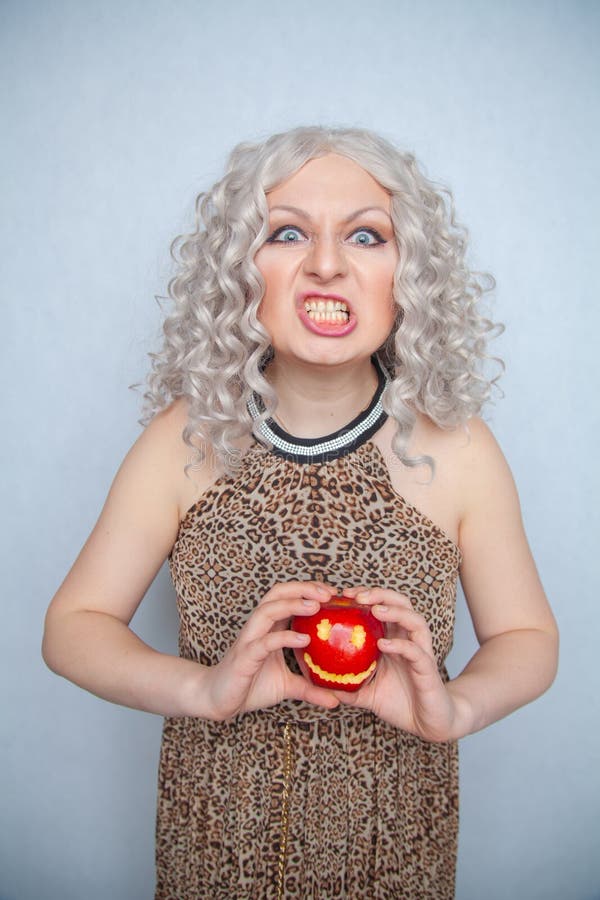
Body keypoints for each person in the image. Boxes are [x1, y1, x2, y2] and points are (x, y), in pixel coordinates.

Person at [42, 126, 558, 899]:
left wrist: (456, 708)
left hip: (398, 849)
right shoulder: (184, 441)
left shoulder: (460, 451)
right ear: (241, 272)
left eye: (365, 235)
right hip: (213, 848)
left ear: (407, 273)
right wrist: (203, 691)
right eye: (287, 232)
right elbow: (72, 627)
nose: (325, 263)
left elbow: (528, 637)